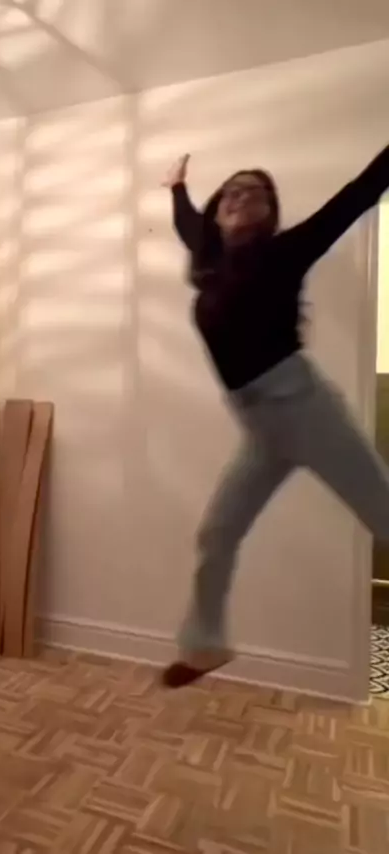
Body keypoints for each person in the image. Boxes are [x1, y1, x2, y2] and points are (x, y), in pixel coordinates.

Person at [161, 145, 389, 689]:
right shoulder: (209, 258)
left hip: (306, 412)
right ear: (219, 209)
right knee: (217, 534)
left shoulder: (287, 253)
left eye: (258, 194)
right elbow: (187, 222)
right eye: (234, 190)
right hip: (260, 429)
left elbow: (357, 195)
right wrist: (177, 187)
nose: (244, 197)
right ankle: (204, 646)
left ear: (269, 214)